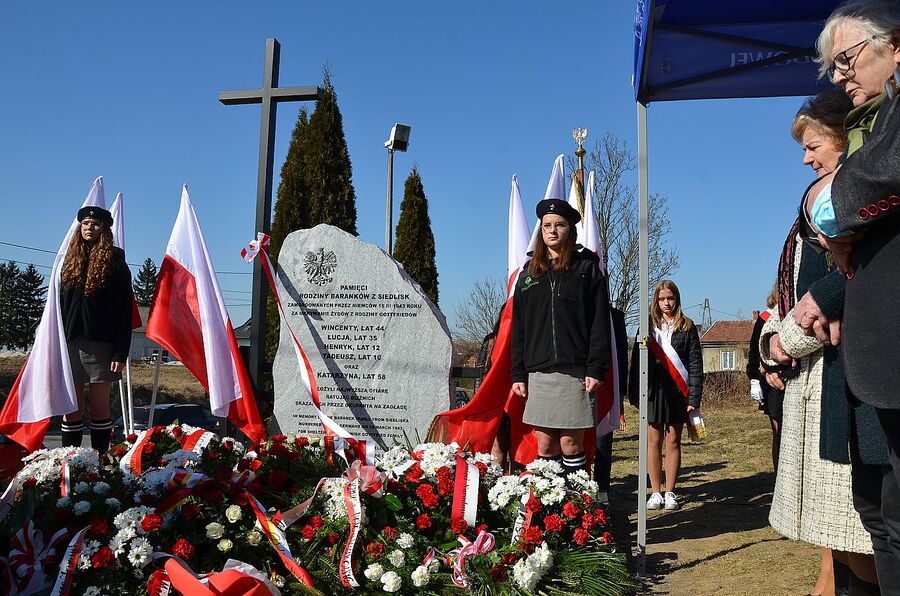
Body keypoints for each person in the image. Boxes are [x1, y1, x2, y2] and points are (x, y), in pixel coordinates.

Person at [797, 3, 900, 593]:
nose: (839, 78)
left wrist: (834, 214)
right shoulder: (875, 122)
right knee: (881, 519)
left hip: (887, 349)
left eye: (846, 60)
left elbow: (860, 189)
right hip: (872, 358)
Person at [760, 87, 879, 595]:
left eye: (813, 145)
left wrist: (783, 341)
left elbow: (832, 291)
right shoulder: (820, 205)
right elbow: (793, 294)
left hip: (843, 386)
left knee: (863, 542)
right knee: (841, 542)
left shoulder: (849, 202)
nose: (806, 158)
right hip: (819, 384)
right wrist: (769, 342)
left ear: (841, 136)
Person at [510, 198, 611, 480]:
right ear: (541, 231)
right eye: (547, 226)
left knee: (570, 444)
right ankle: (548, 513)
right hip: (539, 372)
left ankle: (577, 512)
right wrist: (518, 372)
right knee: (545, 444)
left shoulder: (587, 269)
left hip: (576, 373)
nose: (552, 231)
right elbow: (519, 327)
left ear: (570, 229)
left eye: (559, 225)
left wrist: (595, 368)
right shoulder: (529, 275)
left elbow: (599, 323)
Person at [59, 206, 133, 451]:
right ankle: (71, 462)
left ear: (105, 230)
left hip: (102, 346)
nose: (89, 228)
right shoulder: (68, 263)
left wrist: (120, 353)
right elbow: (56, 307)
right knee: (71, 410)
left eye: (95, 224)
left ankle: (100, 465)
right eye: (85, 224)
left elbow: (125, 313)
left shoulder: (116, 264)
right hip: (69, 343)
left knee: (100, 409)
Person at [628, 280, 702, 512]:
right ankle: (655, 492)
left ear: (677, 299)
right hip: (652, 391)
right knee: (653, 441)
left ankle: (670, 492)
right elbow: (636, 362)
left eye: (670, 298)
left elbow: (695, 365)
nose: (666, 303)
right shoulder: (647, 326)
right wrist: (634, 393)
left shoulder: (687, 327)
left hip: (677, 392)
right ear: (656, 301)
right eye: (661, 299)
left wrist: (694, 399)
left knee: (673, 441)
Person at [746, 285, 783, 474]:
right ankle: (779, 478)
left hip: (794, 378)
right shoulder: (765, 319)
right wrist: (753, 378)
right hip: (772, 383)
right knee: (778, 433)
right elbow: (755, 351)